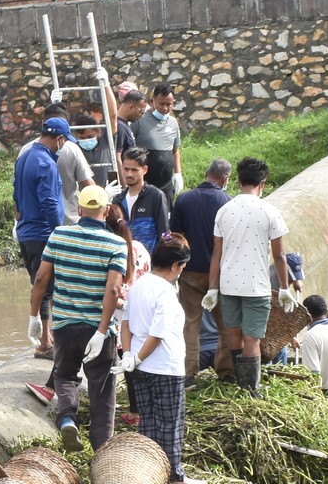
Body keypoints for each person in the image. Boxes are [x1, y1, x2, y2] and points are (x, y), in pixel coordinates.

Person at [33, 184, 126, 452]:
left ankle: (67, 419)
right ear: (106, 210)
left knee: (65, 376)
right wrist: (101, 330)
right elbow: (113, 289)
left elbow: (41, 278)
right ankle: (102, 449)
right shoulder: (116, 243)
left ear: (80, 209)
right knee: (102, 388)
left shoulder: (59, 235)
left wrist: (33, 316)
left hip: (64, 325)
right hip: (97, 327)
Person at [203, 156, 299, 396]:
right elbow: (279, 256)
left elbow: (217, 252)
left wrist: (212, 288)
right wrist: (285, 288)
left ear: (238, 181)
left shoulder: (224, 211)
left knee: (234, 333)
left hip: (228, 284)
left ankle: (239, 381)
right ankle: (250, 388)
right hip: (256, 286)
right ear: (263, 183)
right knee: (252, 339)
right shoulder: (270, 211)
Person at [120, 236, 205, 484]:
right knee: (170, 422)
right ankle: (174, 477)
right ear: (176, 266)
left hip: (140, 368)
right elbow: (157, 335)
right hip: (164, 367)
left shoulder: (138, 284)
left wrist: (129, 355)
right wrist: (136, 356)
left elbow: (125, 324)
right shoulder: (166, 292)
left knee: (148, 420)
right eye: (183, 266)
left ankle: (150, 472)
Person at [168, 157, 232, 378]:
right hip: (220, 276)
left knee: (190, 324)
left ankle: (188, 373)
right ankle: (226, 372)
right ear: (225, 178)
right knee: (225, 325)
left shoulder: (184, 200)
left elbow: (174, 236)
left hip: (191, 273)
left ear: (207, 172)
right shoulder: (227, 201)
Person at [11, 115, 64, 284]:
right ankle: (38, 313)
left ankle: (35, 312)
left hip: (25, 235)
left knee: (38, 285)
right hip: (43, 235)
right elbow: (49, 203)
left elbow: (16, 198)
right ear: (59, 139)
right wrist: (59, 234)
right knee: (47, 291)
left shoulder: (23, 158)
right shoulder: (46, 163)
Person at [112, 146, 170, 257]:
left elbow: (165, 233)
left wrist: (165, 260)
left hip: (149, 265)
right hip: (124, 264)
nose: (129, 174)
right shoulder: (118, 199)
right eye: (126, 169)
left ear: (144, 170)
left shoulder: (156, 196)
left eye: (134, 170)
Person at [43, 112, 94, 224]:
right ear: (60, 138)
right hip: (70, 220)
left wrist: (19, 222)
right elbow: (90, 186)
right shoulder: (71, 149)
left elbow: (18, 191)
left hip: (39, 224)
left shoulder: (26, 151)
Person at [131, 84, 182, 193]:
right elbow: (129, 148)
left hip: (166, 184)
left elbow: (175, 150)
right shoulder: (140, 120)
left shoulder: (173, 123)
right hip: (145, 184)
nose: (165, 108)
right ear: (152, 101)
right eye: (161, 104)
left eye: (169, 104)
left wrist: (178, 173)